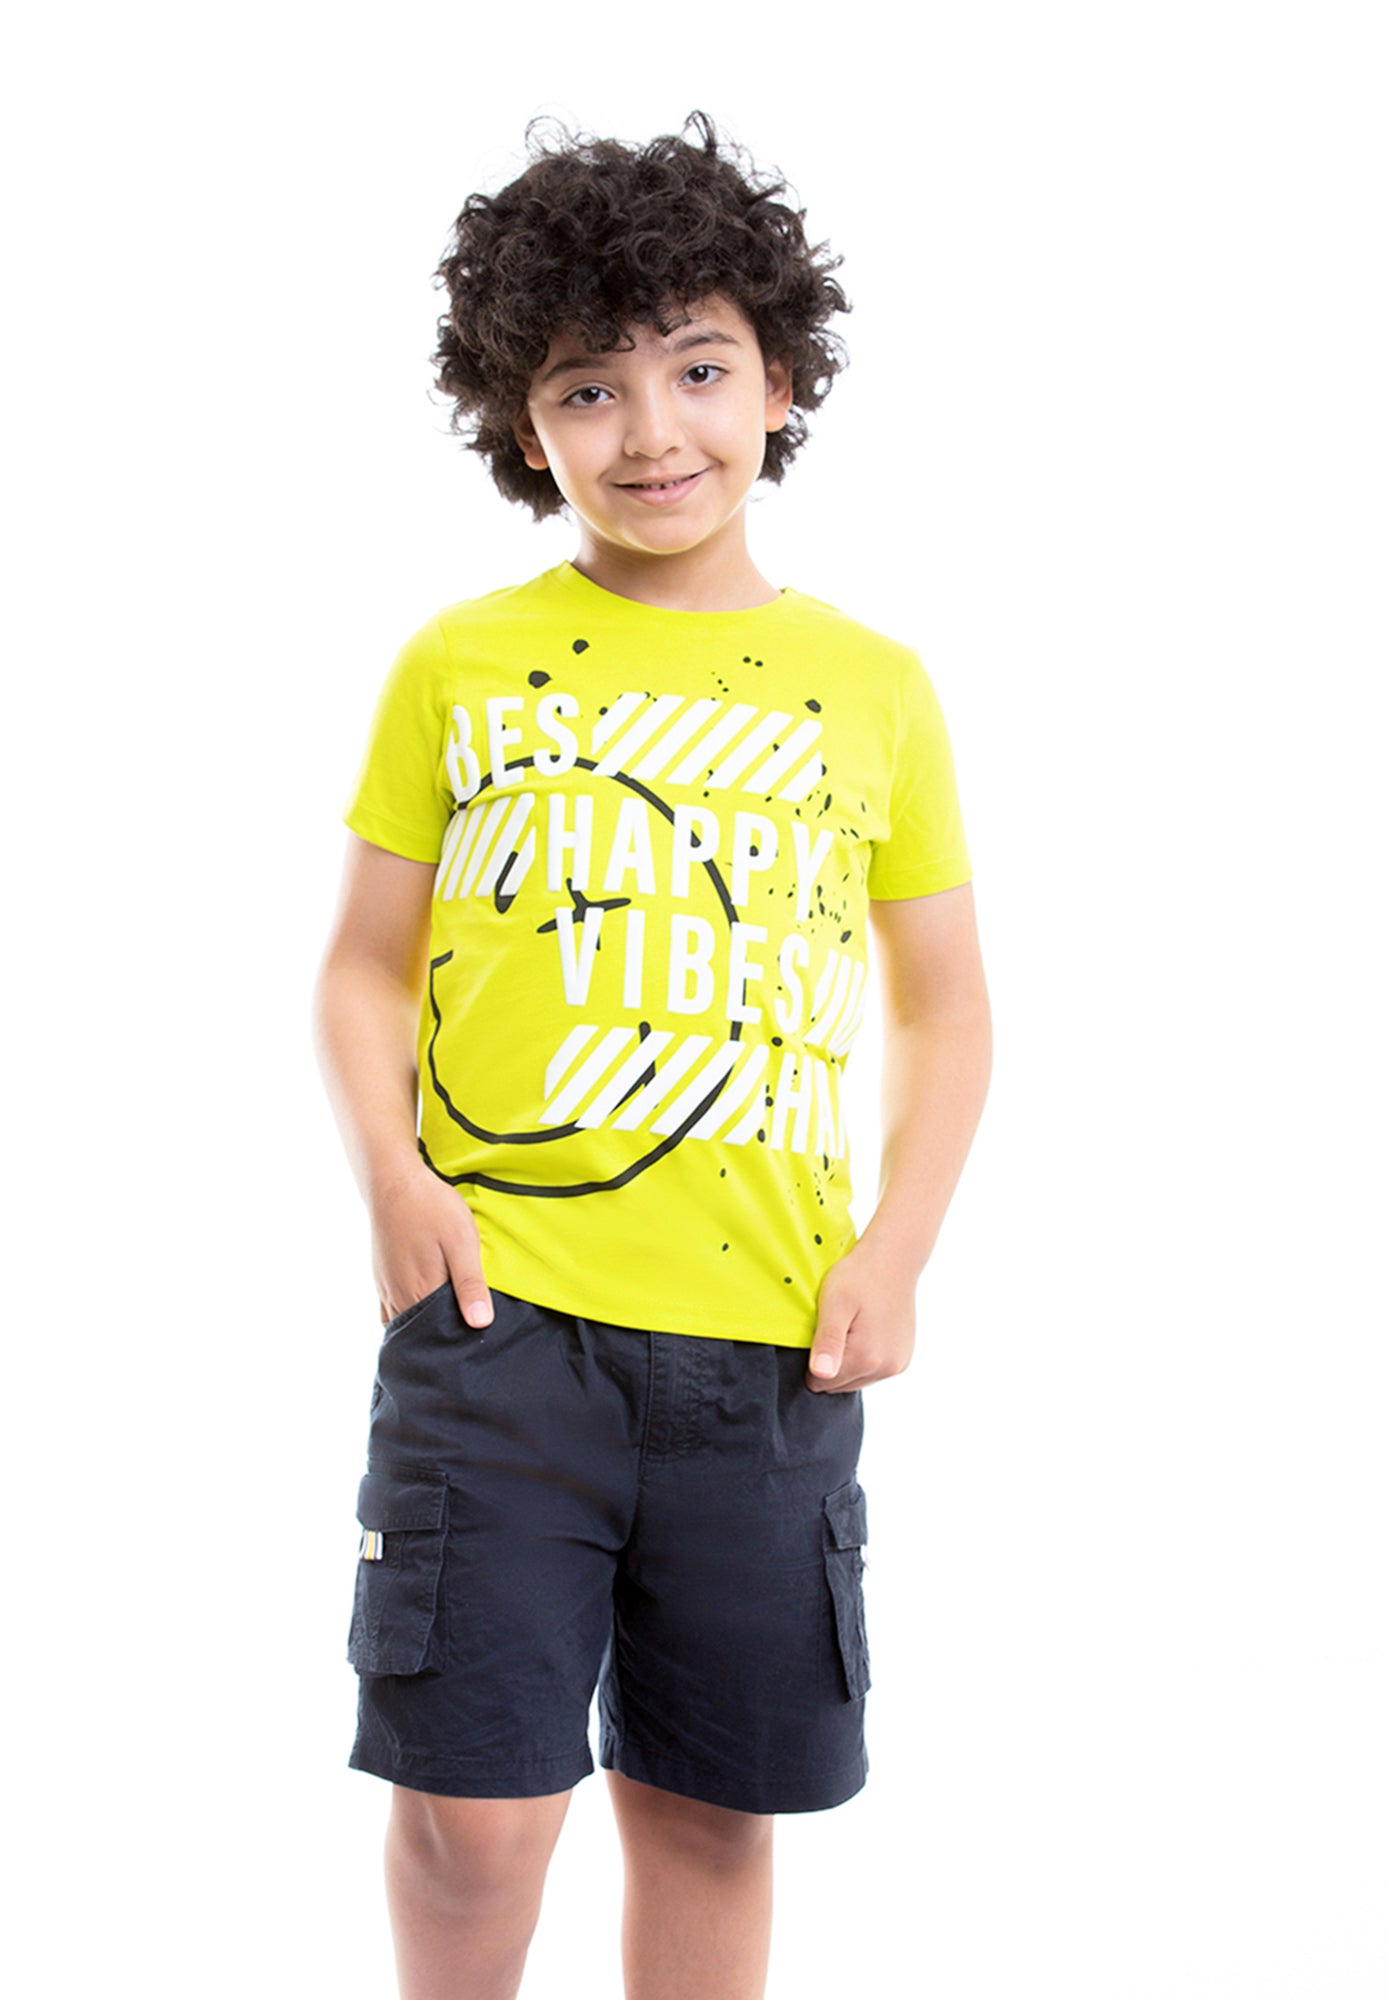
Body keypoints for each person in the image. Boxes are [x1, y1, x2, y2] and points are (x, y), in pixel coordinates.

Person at [313, 110, 993, 2000]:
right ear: (523, 425)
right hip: (497, 1327)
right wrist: (391, 1182)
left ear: (779, 379)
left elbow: (947, 1002)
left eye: (698, 368)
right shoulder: (460, 665)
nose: (650, 431)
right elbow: (361, 967)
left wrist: (899, 1250)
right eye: (586, 388)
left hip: (765, 1353)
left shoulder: (873, 687)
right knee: (471, 1814)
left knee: (706, 1810)